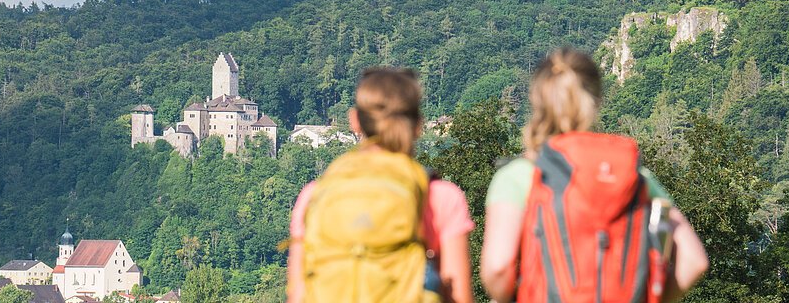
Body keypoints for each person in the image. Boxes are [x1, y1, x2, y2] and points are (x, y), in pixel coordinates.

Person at [480, 48, 709, 303]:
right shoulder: (632, 174)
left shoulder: (520, 176)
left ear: (536, 101)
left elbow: (499, 269)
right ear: (597, 101)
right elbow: (693, 261)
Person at [286, 68, 474, 303]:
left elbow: (298, 294)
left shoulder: (315, 195)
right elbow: (460, 297)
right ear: (418, 124)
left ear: (354, 121)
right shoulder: (440, 197)